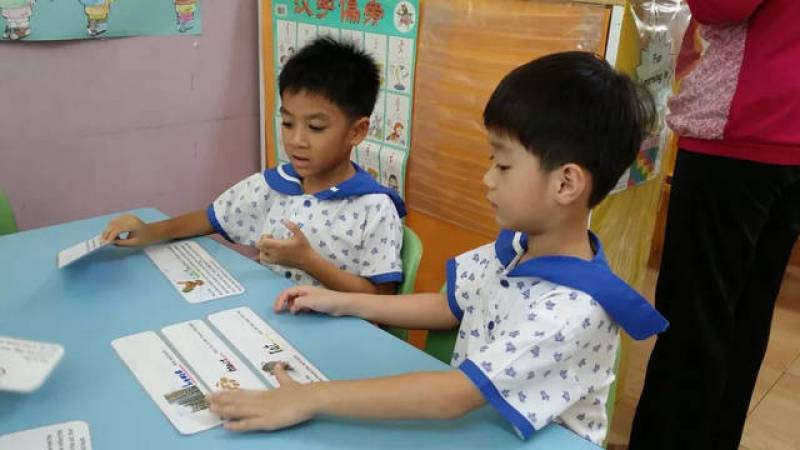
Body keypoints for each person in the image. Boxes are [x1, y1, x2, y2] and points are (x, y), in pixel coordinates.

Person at [208, 51, 666, 446]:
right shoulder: (518, 249)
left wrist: (309, 398)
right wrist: (341, 300)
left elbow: (452, 396)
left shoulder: (571, 310)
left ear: (566, 183)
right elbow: (448, 306)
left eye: (503, 165)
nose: (487, 178)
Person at [102, 38, 406, 294]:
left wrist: (308, 262)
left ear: (357, 132)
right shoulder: (275, 185)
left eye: (315, 127)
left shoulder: (374, 207)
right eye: (287, 123)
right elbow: (212, 217)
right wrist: (150, 231)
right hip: (268, 320)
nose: (296, 140)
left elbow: (382, 301)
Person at [630, 1, 800, 448]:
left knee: (697, 314)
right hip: (788, 131)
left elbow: (720, 6)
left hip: (742, 125)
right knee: (748, 311)